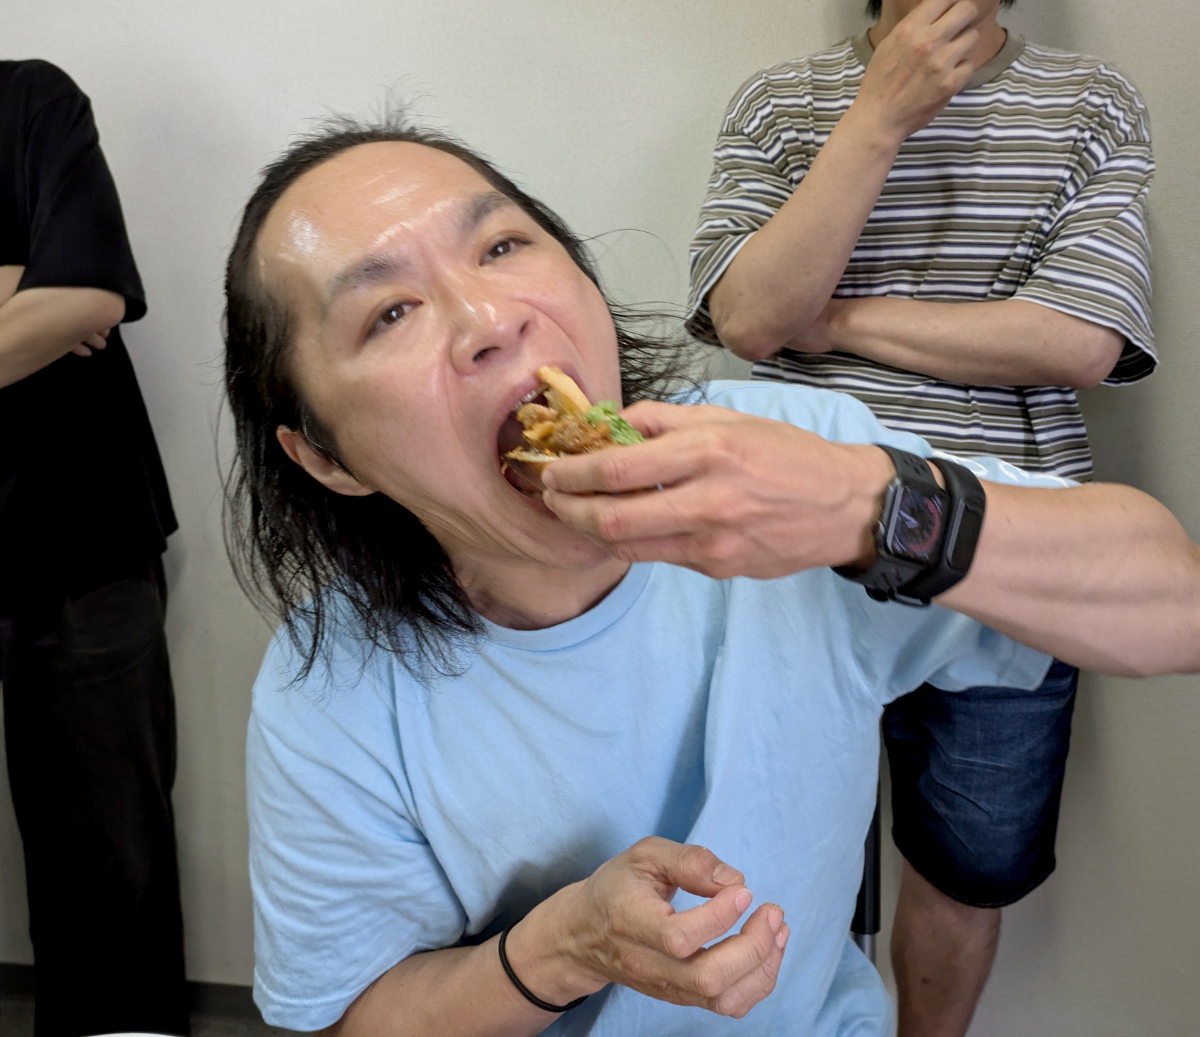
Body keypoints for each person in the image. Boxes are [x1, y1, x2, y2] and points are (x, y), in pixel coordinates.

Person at [223, 114, 1198, 1037]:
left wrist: (863, 505)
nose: (489, 318)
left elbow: (1178, 606)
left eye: (503, 245)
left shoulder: (788, 457)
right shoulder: (333, 691)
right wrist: (560, 949)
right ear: (325, 456)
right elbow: (346, 1020)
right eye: (389, 311)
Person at [684, 0, 1155, 1031]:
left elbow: (1080, 340)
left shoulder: (1091, 102)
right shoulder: (780, 102)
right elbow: (751, 317)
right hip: (789, 557)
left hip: (1009, 554)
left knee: (969, 865)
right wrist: (880, 115)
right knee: (761, 847)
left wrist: (835, 320)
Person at [0, 60, 188, 1037]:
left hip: (82, 529)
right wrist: (11, 284)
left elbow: (83, 299)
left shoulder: (30, 99)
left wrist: (49, 292)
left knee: (109, 854)